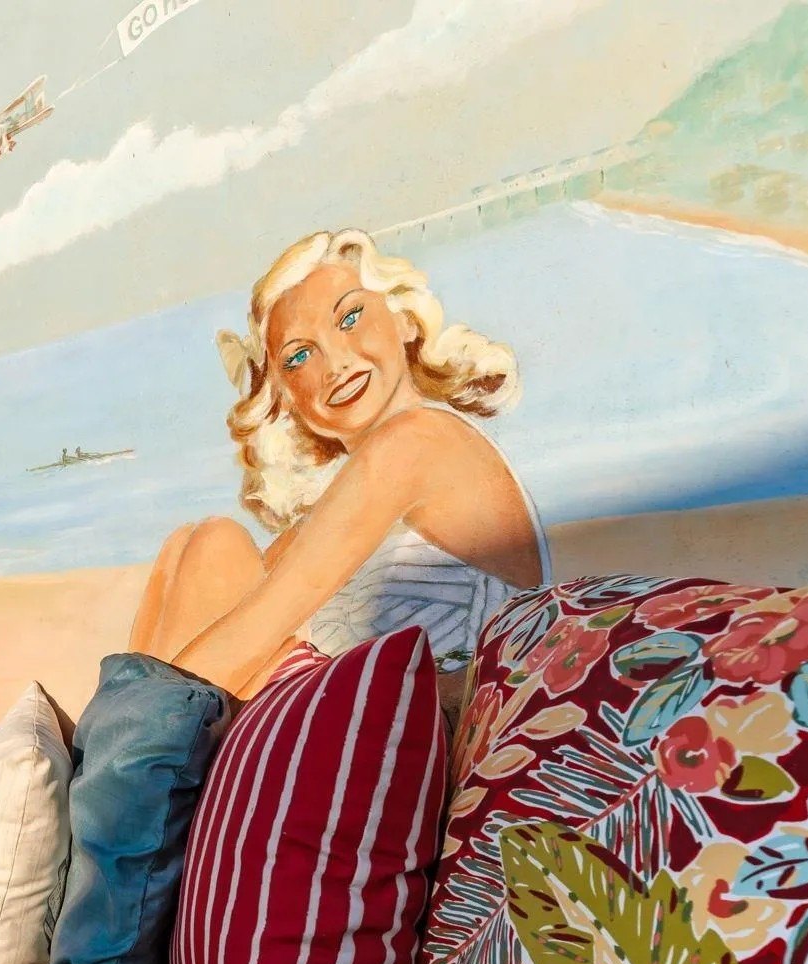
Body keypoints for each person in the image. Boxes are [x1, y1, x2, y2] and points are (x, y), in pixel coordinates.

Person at [130, 228, 548, 698]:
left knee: (217, 544)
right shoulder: (361, 489)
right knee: (196, 547)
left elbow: (252, 632)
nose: (335, 365)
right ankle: (124, 735)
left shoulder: (418, 440)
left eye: (350, 317)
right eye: (299, 356)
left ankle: (126, 738)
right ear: (285, 396)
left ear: (405, 321)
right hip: (371, 717)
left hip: (431, 724)